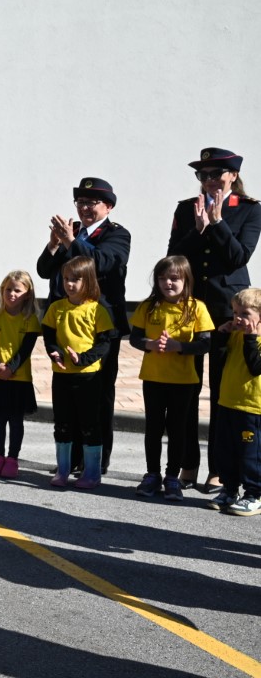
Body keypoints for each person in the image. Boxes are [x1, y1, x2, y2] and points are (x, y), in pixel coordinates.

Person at [168, 147, 261, 493]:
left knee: (223, 391)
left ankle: (219, 469)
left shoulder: (250, 210)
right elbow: (173, 257)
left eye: (215, 175)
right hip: (191, 311)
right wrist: (198, 228)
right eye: (202, 176)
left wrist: (218, 223)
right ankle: (187, 463)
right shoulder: (185, 208)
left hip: (226, 310)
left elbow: (238, 257)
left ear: (232, 177)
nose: (208, 182)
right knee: (186, 389)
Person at [36, 177, 130, 474]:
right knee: (68, 396)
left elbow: (101, 263)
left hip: (97, 326)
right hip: (65, 323)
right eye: (80, 203)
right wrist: (53, 245)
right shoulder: (71, 234)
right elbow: (43, 270)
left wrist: (68, 241)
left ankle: (96, 460)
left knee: (97, 394)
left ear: (108, 206)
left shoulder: (117, 234)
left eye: (92, 203)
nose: (85, 208)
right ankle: (72, 457)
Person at [129, 256, 214, 501]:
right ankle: (152, 474)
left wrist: (179, 346)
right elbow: (135, 338)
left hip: (184, 380)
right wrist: (150, 344)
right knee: (153, 428)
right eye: (163, 278)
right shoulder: (148, 306)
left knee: (177, 429)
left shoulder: (197, 307)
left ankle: (172, 476)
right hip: (153, 377)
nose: (168, 283)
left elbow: (205, 344)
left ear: (186, 280)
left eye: (174, 278)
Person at [42, 257, 118, 489]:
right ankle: (63, 470)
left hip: (88, 376)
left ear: (88, 281)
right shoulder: (56, 307)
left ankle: (92, 473)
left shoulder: (97, 309)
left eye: (75, 279)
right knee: (62, 423)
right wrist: (54, 352)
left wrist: (83, 359)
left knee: (89, 424)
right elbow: (48, 334)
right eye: (66, 279)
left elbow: (105, 343)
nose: (69, 284)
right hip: (62, 375)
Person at [0, 270, 42, 479]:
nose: (12, 294)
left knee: (16, 421)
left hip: (19, 379)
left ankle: (12, 459)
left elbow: (26, 349)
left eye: (17, 290)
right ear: (2, 291)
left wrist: (11, 368)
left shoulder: (30, 320)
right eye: (8, 290)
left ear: (27, 294)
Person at [209, 287, 261, 515]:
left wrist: (251, 338)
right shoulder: (235, 335)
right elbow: (219, 361)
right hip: (227, 402)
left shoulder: (254, 340)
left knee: (251, 455)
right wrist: (221, 336)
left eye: (245, 314)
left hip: (252, 408)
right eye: (235, 313)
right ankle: (230, 490)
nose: (238, 318)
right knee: (225, 452)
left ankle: (254, 494)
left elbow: (255, 367)